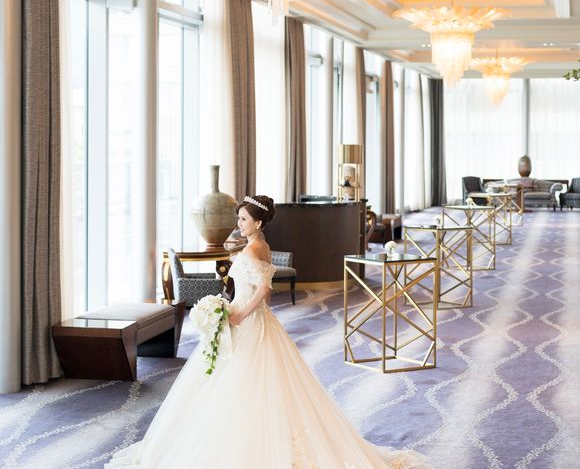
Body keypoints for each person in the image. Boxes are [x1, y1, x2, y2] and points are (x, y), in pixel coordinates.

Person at [106, 195, 429, 468]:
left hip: (248, 320)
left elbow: (263, 290)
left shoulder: (254, 248)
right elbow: (257, 287)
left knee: (245, 380)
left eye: (244, 219)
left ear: (258, 222)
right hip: (249, 317)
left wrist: (238, 315)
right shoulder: (258, 244)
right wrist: (230, 308)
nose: (239, 224)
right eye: (239, 219)